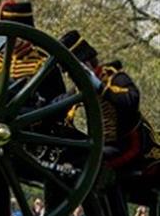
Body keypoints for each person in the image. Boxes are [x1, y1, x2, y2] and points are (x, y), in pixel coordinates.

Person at [60, 31, 160, 177]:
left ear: (86, 65)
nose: (69, 76)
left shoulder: (115, 77)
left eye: (71, 71)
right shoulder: (79, 89)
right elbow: (59, 103)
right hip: (101, 146)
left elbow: (131, 100)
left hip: (129, 146)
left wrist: (99, 87)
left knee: (89, 164)